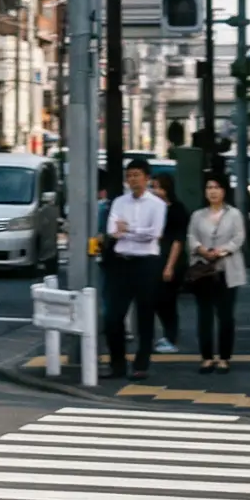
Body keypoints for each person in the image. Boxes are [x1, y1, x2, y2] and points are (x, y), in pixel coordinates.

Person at [103, 159, 168, 378]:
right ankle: (117, 363)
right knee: (113, 316)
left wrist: (128, 229)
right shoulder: (119, 202)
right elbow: (112, 230)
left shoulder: (157, 204)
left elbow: (154, 233)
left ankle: (141, 364)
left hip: (146, 263)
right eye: (129, 175)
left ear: (147, 178)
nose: (132, 179)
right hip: (121, 261)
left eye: (137, 175)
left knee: (145, 314)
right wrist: (129, 231)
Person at [185, 172, 246, 373]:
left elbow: (239, 237)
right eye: (209, 187)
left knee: (226, 315)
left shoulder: (234, 214)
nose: (212, 192)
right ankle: (207, 357)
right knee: (204, 315)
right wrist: (201, 249)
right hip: (203, 270)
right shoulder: (198, 215)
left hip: (227, 269)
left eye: (216, 187)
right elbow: (191, 237)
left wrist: (222, 250)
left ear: (224, 191)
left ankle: (224, 357)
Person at [152, 170, 190, 355]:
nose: (155, 191)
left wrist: (170, 266)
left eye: (158, 187)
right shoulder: (153, 208)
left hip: (172, 260)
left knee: (168, 299)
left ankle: (170, 336)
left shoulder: (176, 209)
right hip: (156, 257)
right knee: (157, 299)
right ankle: (166, 336)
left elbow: (178, 240)